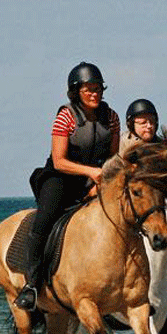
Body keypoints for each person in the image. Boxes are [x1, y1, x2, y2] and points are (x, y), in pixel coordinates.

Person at [15, 62, 120, 310]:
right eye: (88, 89)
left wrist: (102, 182)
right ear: (76, 92)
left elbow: (113, 159)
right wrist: (92, 173)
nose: (95, 94)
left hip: (96, 180)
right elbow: (60, 161)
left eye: (98, 89)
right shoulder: (65, 117)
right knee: (45, 218)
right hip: (60, 178)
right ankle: (31, 285)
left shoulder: (112, 118)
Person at [121, 98, 167, 334]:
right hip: (130, 207)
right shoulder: (124, 145)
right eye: (142, 122)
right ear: (132, 124)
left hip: (155, 208)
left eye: (151, 121)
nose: (148, 126)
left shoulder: (162, 147)